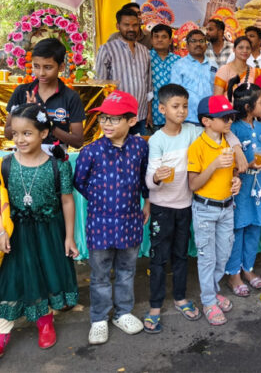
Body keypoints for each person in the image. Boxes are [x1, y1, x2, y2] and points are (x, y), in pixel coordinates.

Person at [0, 104, 78, 368]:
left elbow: (67, 201)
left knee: (46, 275)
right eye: (16, 133)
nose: (20, 139)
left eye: (27, 133)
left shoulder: (58, 167)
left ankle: (45, 320)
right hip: (16, 234)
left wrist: (69, 237)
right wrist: (0, 231)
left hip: (49, 232)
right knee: (10, 281)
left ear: (43, 133)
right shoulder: (3, 165)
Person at [145, 85, 245, 332]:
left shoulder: (193, 131)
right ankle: (158, 306)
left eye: (184, 106)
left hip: (189, 205)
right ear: (162, 109)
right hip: (166, 205)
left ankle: (188, 297)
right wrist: (156, 177)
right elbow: (152, 179)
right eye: (175, 106)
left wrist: (237, 156)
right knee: (162, 257)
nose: (181, 111)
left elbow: (223, 131)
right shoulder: (159, 140)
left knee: (188, 255)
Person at [73, 91, 150, 344]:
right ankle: (99, 318)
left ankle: (123, 313)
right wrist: (102, 200)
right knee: (100, 275)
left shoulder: (140, 147)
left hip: (130, 221)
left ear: (131, 121)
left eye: (114, 119)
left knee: (127, 271)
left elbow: (144, 178)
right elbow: (80, 181)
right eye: (103, 118)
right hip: (100, 225)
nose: (106, 123)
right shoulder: (91, 151)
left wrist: (147, 202)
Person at [187, 96, 242, 325]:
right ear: (206, 121)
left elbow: (234, 171)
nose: (229, 121)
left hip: (227, 207)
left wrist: (236, 180)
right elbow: (193, 184)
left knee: (223, 253)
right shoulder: (197, 147)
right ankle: (208, 300)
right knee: (207, 258)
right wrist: (214, 165)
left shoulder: (227, 143)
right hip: (205, 209)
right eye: (224, 117)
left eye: (230, 117)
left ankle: (213, 289)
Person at [225, 84, 261, 296]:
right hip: (241, 186)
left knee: (255, 227)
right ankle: (233, 274)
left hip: (259, 185)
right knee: (238, 229)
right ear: (248, 107)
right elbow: (230, 162)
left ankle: (247, 268)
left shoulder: (259, 126)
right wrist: (247, 165)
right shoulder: (233, 129)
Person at [5, 38, 85, 151]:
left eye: (48, 67)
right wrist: (26, 114)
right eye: (36, 66)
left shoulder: (71, 97)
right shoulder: (22, 92)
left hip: (56, 157)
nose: (41, 73)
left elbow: (78, 141)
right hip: (24, 156)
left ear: (61, 67)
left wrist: (49, 125)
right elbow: (8, 134)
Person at [95, 7, 152, 135]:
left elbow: (148, 85)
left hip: (140, 115)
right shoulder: (107, 49)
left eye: (135, 25)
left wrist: (149, 112)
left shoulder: (144, 51)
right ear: (118, 26)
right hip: (116, 116)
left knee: (139, 147)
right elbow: (100, 85)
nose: (131, 29)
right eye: (126, 25)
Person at [170, 29, 218, 124]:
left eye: (201, 41)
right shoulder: (179, 65)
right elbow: (174, 93)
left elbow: (217, 89)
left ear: (206, 45)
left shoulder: (213, 65)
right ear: (187, 46)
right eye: (193, 41)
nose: (198, 44)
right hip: (187, 118)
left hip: (210, 117)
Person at [150, 24, 181, 130]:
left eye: (164, 37)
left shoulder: (178, 60)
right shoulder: (145, 58)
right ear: (151, 40)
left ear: (170, 40)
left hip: (173, 115)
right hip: (151, 115)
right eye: (156, 36)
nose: (160, 40)